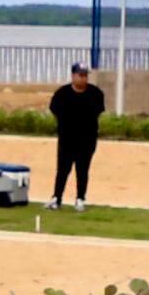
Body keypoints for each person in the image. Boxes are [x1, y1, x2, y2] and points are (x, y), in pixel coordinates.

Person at [47, 62, 107, 206]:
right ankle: (56, 198)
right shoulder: (62, 94)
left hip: (87, 139)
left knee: (82, 169)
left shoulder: (95, 94)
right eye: (80, 75)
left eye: (85, 75)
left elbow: (98, 112)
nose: (83, 78)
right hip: (67, 138)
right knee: (63, 169)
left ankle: (80, 198)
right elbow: (55, 110)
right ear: (73, 75)